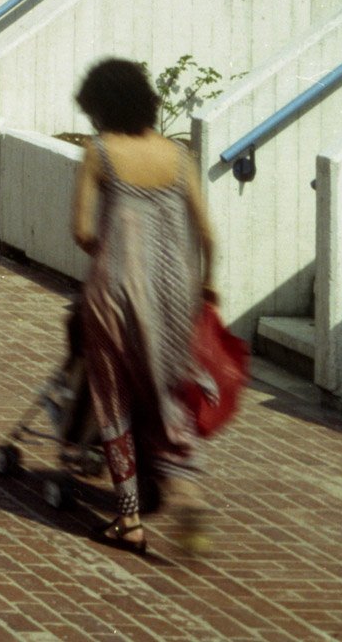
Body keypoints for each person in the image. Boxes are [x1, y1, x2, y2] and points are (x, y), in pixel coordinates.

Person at [68, 56, 218, 555]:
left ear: (102, 108)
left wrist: (111, 248)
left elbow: (81, 231)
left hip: (114, 291)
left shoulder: (99, 152)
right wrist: (208, 286)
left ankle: (129, 519)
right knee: (167, 394)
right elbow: (207, 235)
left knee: (112, 398)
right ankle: (187, 491)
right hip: (174, 294)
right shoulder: (178, 156)